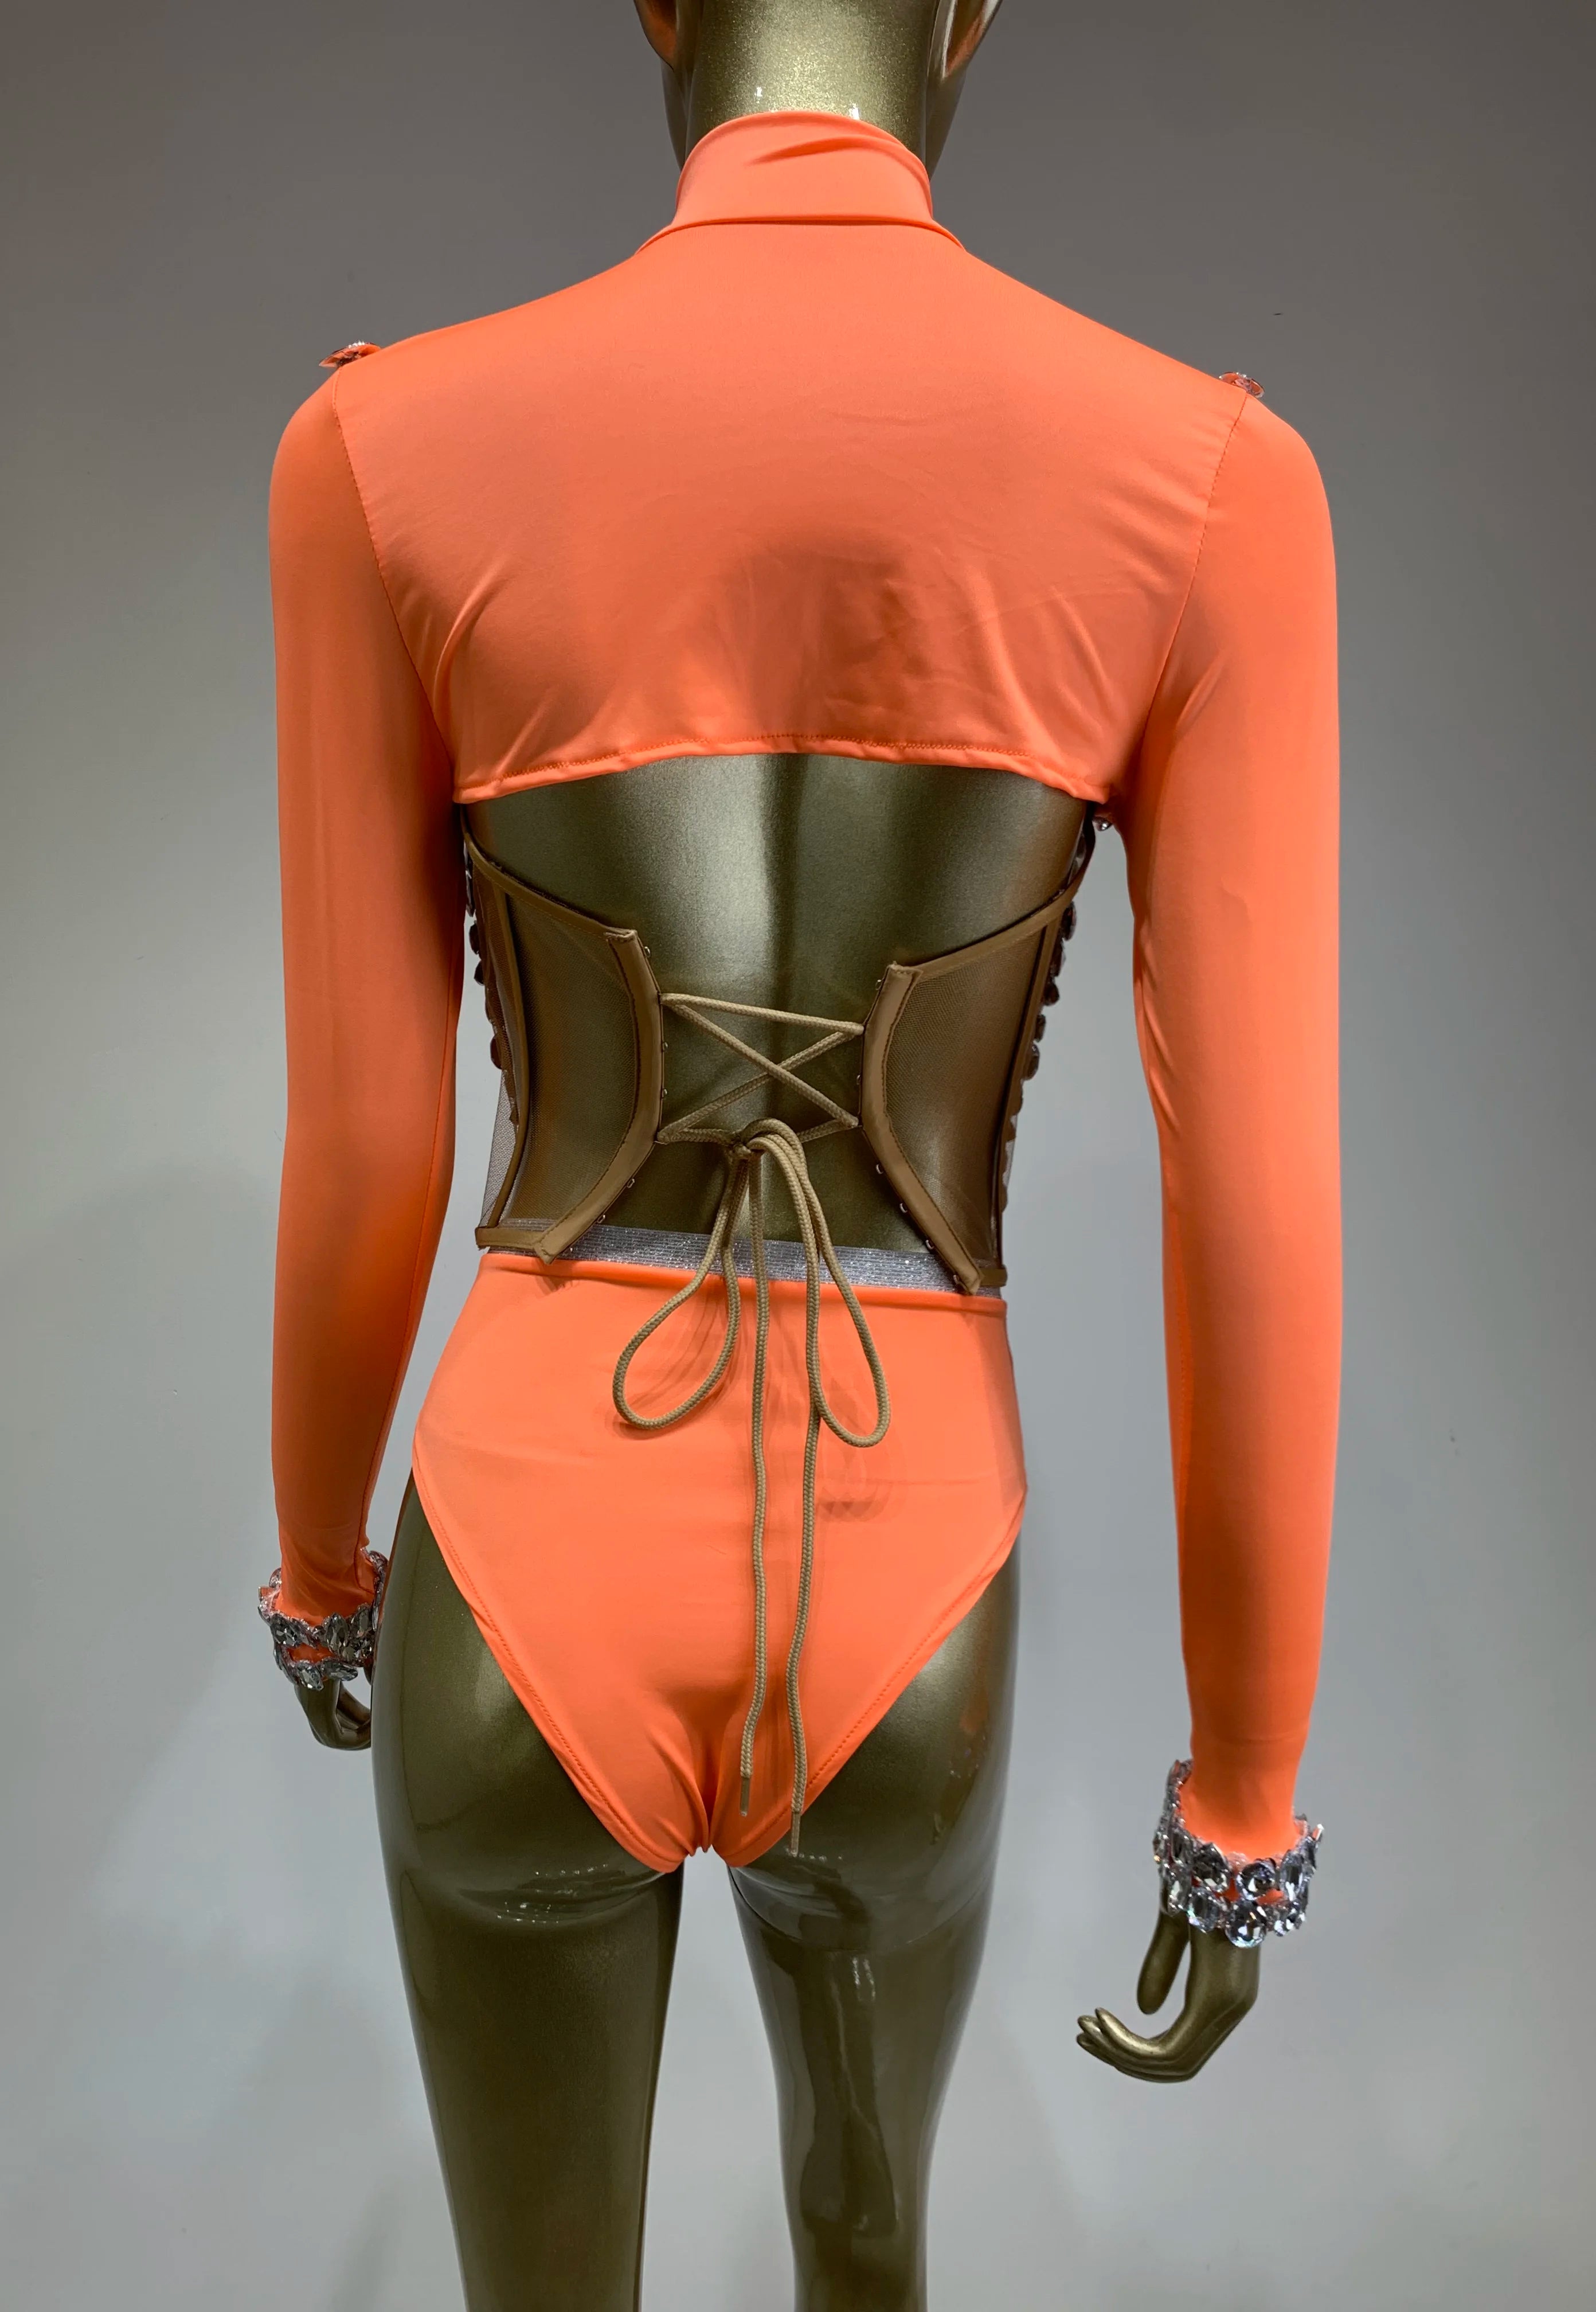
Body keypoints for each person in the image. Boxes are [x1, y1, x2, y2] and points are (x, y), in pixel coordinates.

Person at [258, 4, 1340, 2305]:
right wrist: (1240, 1800)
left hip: (521, 1550)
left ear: (655, 9)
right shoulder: (1214, 484)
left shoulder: (375, 451)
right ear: (972, 15)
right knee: (869, 2249)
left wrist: (321, 1570)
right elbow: (1254, 1200)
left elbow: (364, 1140)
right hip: (911, 1566)